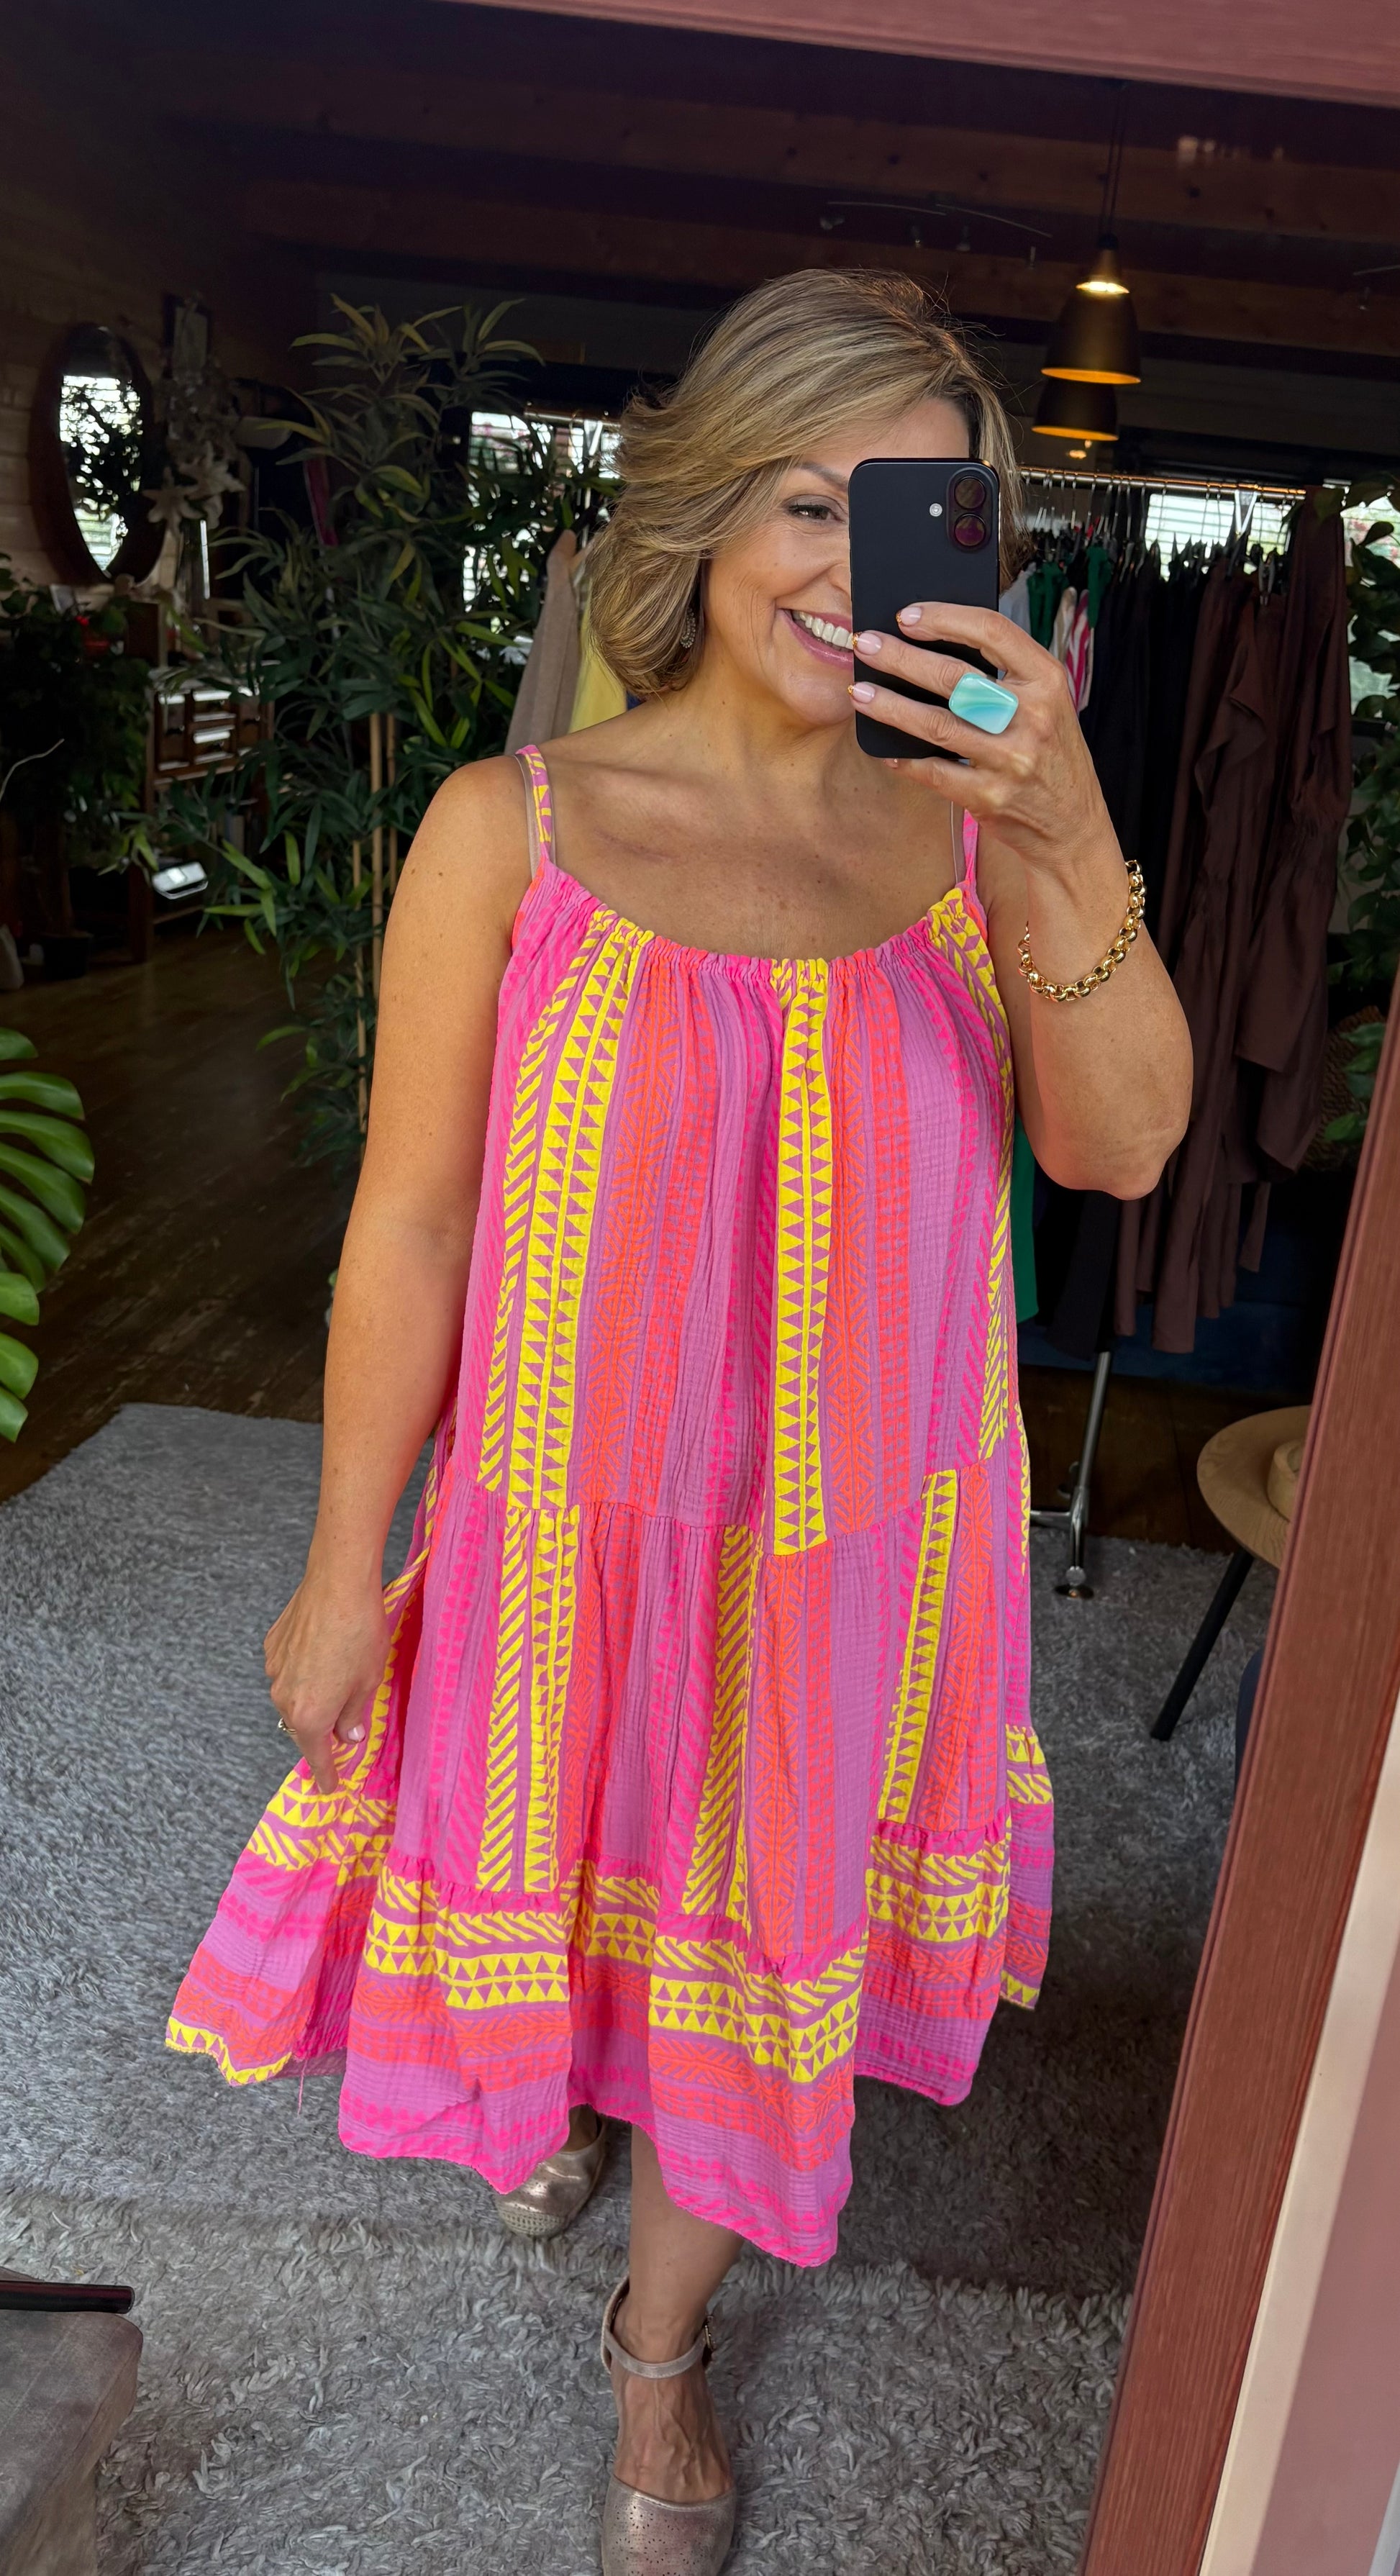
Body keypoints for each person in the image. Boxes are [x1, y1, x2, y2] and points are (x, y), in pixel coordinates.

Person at [169, 270, 1191, 2576]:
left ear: (982, 550)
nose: (848, 566)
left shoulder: (978, 847)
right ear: (709, 514)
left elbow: (1124, 1140)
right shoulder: (509, 829)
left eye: (913, 512)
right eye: (807, 502)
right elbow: (411, 1225)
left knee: (756, 1953)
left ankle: (659, 2343)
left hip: (849, 1559)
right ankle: (563, 2108)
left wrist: (1059, 820)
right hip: (569, 1535)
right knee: (576, 1891)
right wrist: (340, 1566)